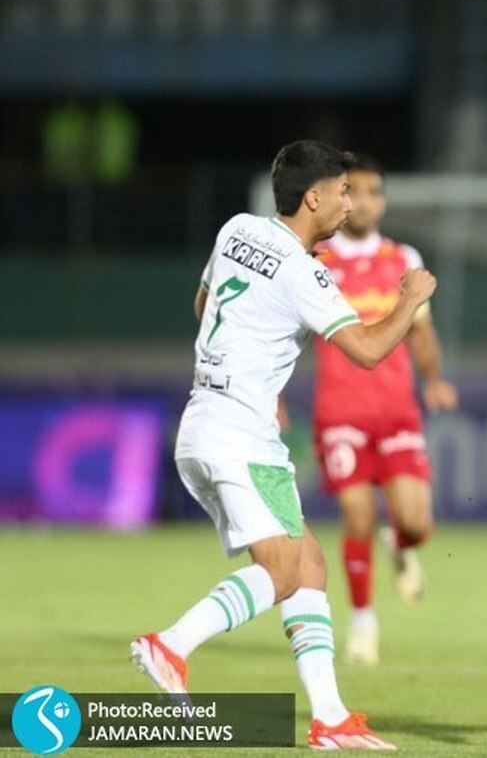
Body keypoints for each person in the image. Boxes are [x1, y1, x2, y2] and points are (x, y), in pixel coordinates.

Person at [131, 141, 436, 751]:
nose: (351, 201)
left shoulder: (236, 228)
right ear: (314, 198)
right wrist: (412, 297)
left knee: (310, 567)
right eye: (344, 191)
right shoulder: (305, 272)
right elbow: (371, 351)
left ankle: (328, 716)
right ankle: (171, 644)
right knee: (281, 571)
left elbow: (203, 304)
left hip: (204, 422)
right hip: (242, 435)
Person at [310, 153, 458, 666]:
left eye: (374, 192)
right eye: (355, 192)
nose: (365, 202)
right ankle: (363, 623)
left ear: (384, 201)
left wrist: (434, 379)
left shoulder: (404, 259)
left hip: (396, 411)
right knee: (356, 514)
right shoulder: (315, 261)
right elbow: (288, 336)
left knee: (418, 524)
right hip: (340, 409)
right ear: (340, 199)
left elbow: (421, 331)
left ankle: (399, 544)